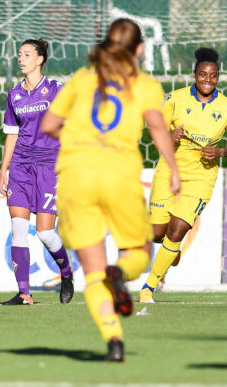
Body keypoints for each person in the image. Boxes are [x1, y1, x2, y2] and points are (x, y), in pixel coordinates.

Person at [40, 19, 180, 362]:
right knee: (138, 252)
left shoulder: (84, 78)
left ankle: (114, 342)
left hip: (75, 176)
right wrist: (173, 169)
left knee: (93, 273)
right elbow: (157, 125)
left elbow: (48, 125)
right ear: (139, 49)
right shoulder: (145, 84)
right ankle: (122, 273)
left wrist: (80, 141)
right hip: (118, 173)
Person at [139, 47, 227, 304]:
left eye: (213, 75)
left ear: (218, 77)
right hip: (170, 169)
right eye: (203, 74)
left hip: (202, 175)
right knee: (156, 234)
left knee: (176, 231)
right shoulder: (175, 99)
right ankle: (170, 251)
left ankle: (148, 288)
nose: (208, 79)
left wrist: (220, 151)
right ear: (194, 75)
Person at [0, 39, 74, 305]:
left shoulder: (56, 90)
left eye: (27, 54)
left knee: (44, 232)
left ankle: (66, 273)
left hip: (49, 168)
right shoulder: (13, 95)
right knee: (18, 228)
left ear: (40, 59)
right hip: (20, 167)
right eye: (20, 55)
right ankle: (24, 294)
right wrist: (3, 169)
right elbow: (12, 134)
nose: (21, 59)